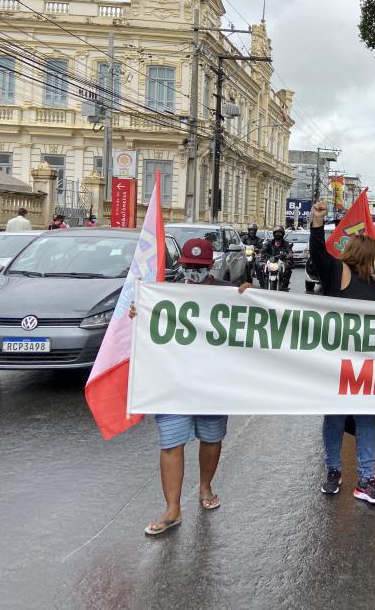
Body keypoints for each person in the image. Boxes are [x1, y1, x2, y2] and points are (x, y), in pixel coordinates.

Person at [130, 238, 252, 536]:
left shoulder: (228, 293)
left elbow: (254, 320)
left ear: (211, 266)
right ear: (180, 265)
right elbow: (144, 321)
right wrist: (139, 311)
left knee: (212, 437)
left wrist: (251, 297)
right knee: (171, 441)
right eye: (188, 266)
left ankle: (205, 487)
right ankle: (172, 509)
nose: (193, 272)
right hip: (173, 381)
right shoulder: (163, 293)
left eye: (199, 267)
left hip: (213, 382)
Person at [309, 200, 375, 505]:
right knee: (335, 418)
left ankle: (366, 479)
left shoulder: (373, 285)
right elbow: (318, 253)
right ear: (367, 256)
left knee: (366, 418)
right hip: (337, 363)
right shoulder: (339, 271)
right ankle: (333, 470)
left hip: (365, 366)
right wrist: (317, 220)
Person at [259, 225, 293, 290]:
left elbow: (289, 250)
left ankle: (285, 284)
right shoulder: (269, 243)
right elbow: (264, 249)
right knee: (261, 267)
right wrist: (262, 253)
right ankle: (263, 283)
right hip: (270, 260)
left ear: (282, 234)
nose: (278, 234)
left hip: (281, 261)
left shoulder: (286, 244)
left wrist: (289, 254)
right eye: (276, 233)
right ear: (274, 234)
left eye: (279, 233)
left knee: (288, 269)